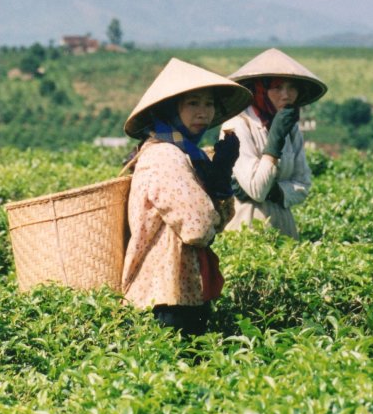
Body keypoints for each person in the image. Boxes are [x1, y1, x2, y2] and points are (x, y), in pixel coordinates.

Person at [121, 57, 252, 335]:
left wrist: (220, 177)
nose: (203, 112)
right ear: (171, 109)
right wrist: (212, 214)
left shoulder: (188, 154)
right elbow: (198, 228)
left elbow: (221, 219)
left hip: (186, 290)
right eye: (193, 103)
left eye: (208, 103)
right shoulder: (164, 155)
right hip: (163, 296)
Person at [220, 48, 327, 240]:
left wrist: (278, 192)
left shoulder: (291, 130)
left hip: (283, 225)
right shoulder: (237, 126)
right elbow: (257, 190)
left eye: (291, 87)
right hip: (247, 228)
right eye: (277, 88)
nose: (286, 95)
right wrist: (275, 141)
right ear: (259, 89)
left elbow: (303, 184)